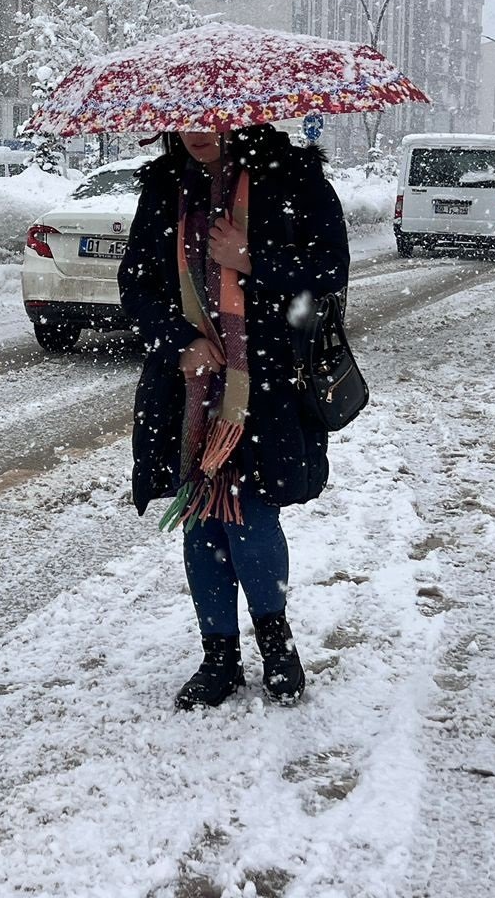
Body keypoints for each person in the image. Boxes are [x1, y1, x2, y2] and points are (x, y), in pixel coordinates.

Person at [119, 122, 350, 710]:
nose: (197, 132)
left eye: (211, 118)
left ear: (242, 116)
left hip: (267, 383)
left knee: (251, 512)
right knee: (202, 517)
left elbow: (331, 271)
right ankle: (218, 657)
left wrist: (252, 259)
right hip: (189, 390)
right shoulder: (167, 187)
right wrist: (180, 343)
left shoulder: (294, 178)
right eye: (186, 119)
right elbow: (136, 287)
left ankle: (277, 649)